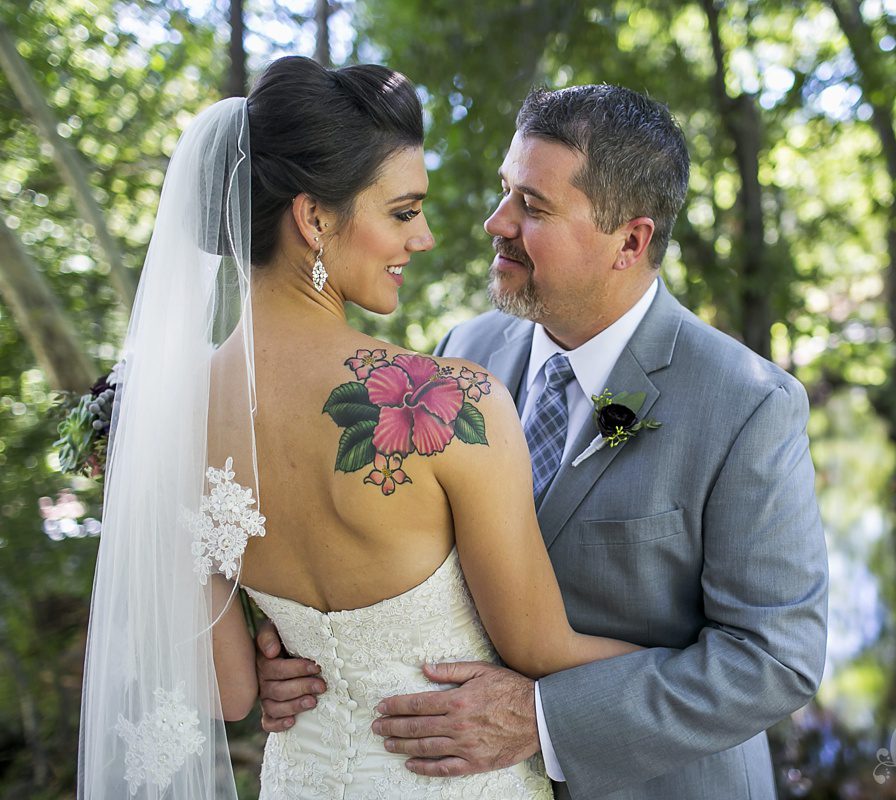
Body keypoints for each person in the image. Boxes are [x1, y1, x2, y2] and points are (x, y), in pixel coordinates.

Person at [77, 57, 646, 799]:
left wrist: (272, 653)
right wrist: (706, 666)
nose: (427, 238)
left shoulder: (164, 417)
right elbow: (538, 647)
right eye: (404, 212)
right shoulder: (450, 402)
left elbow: (232, 695)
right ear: (313, 218)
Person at [258, 84, 829, 800]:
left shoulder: (748, 406)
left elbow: (775, 662)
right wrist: (298, 652)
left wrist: (545, 719)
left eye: (533, 206)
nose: (496, 222)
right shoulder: (461, 354)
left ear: (631, 240)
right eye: (505, 191)